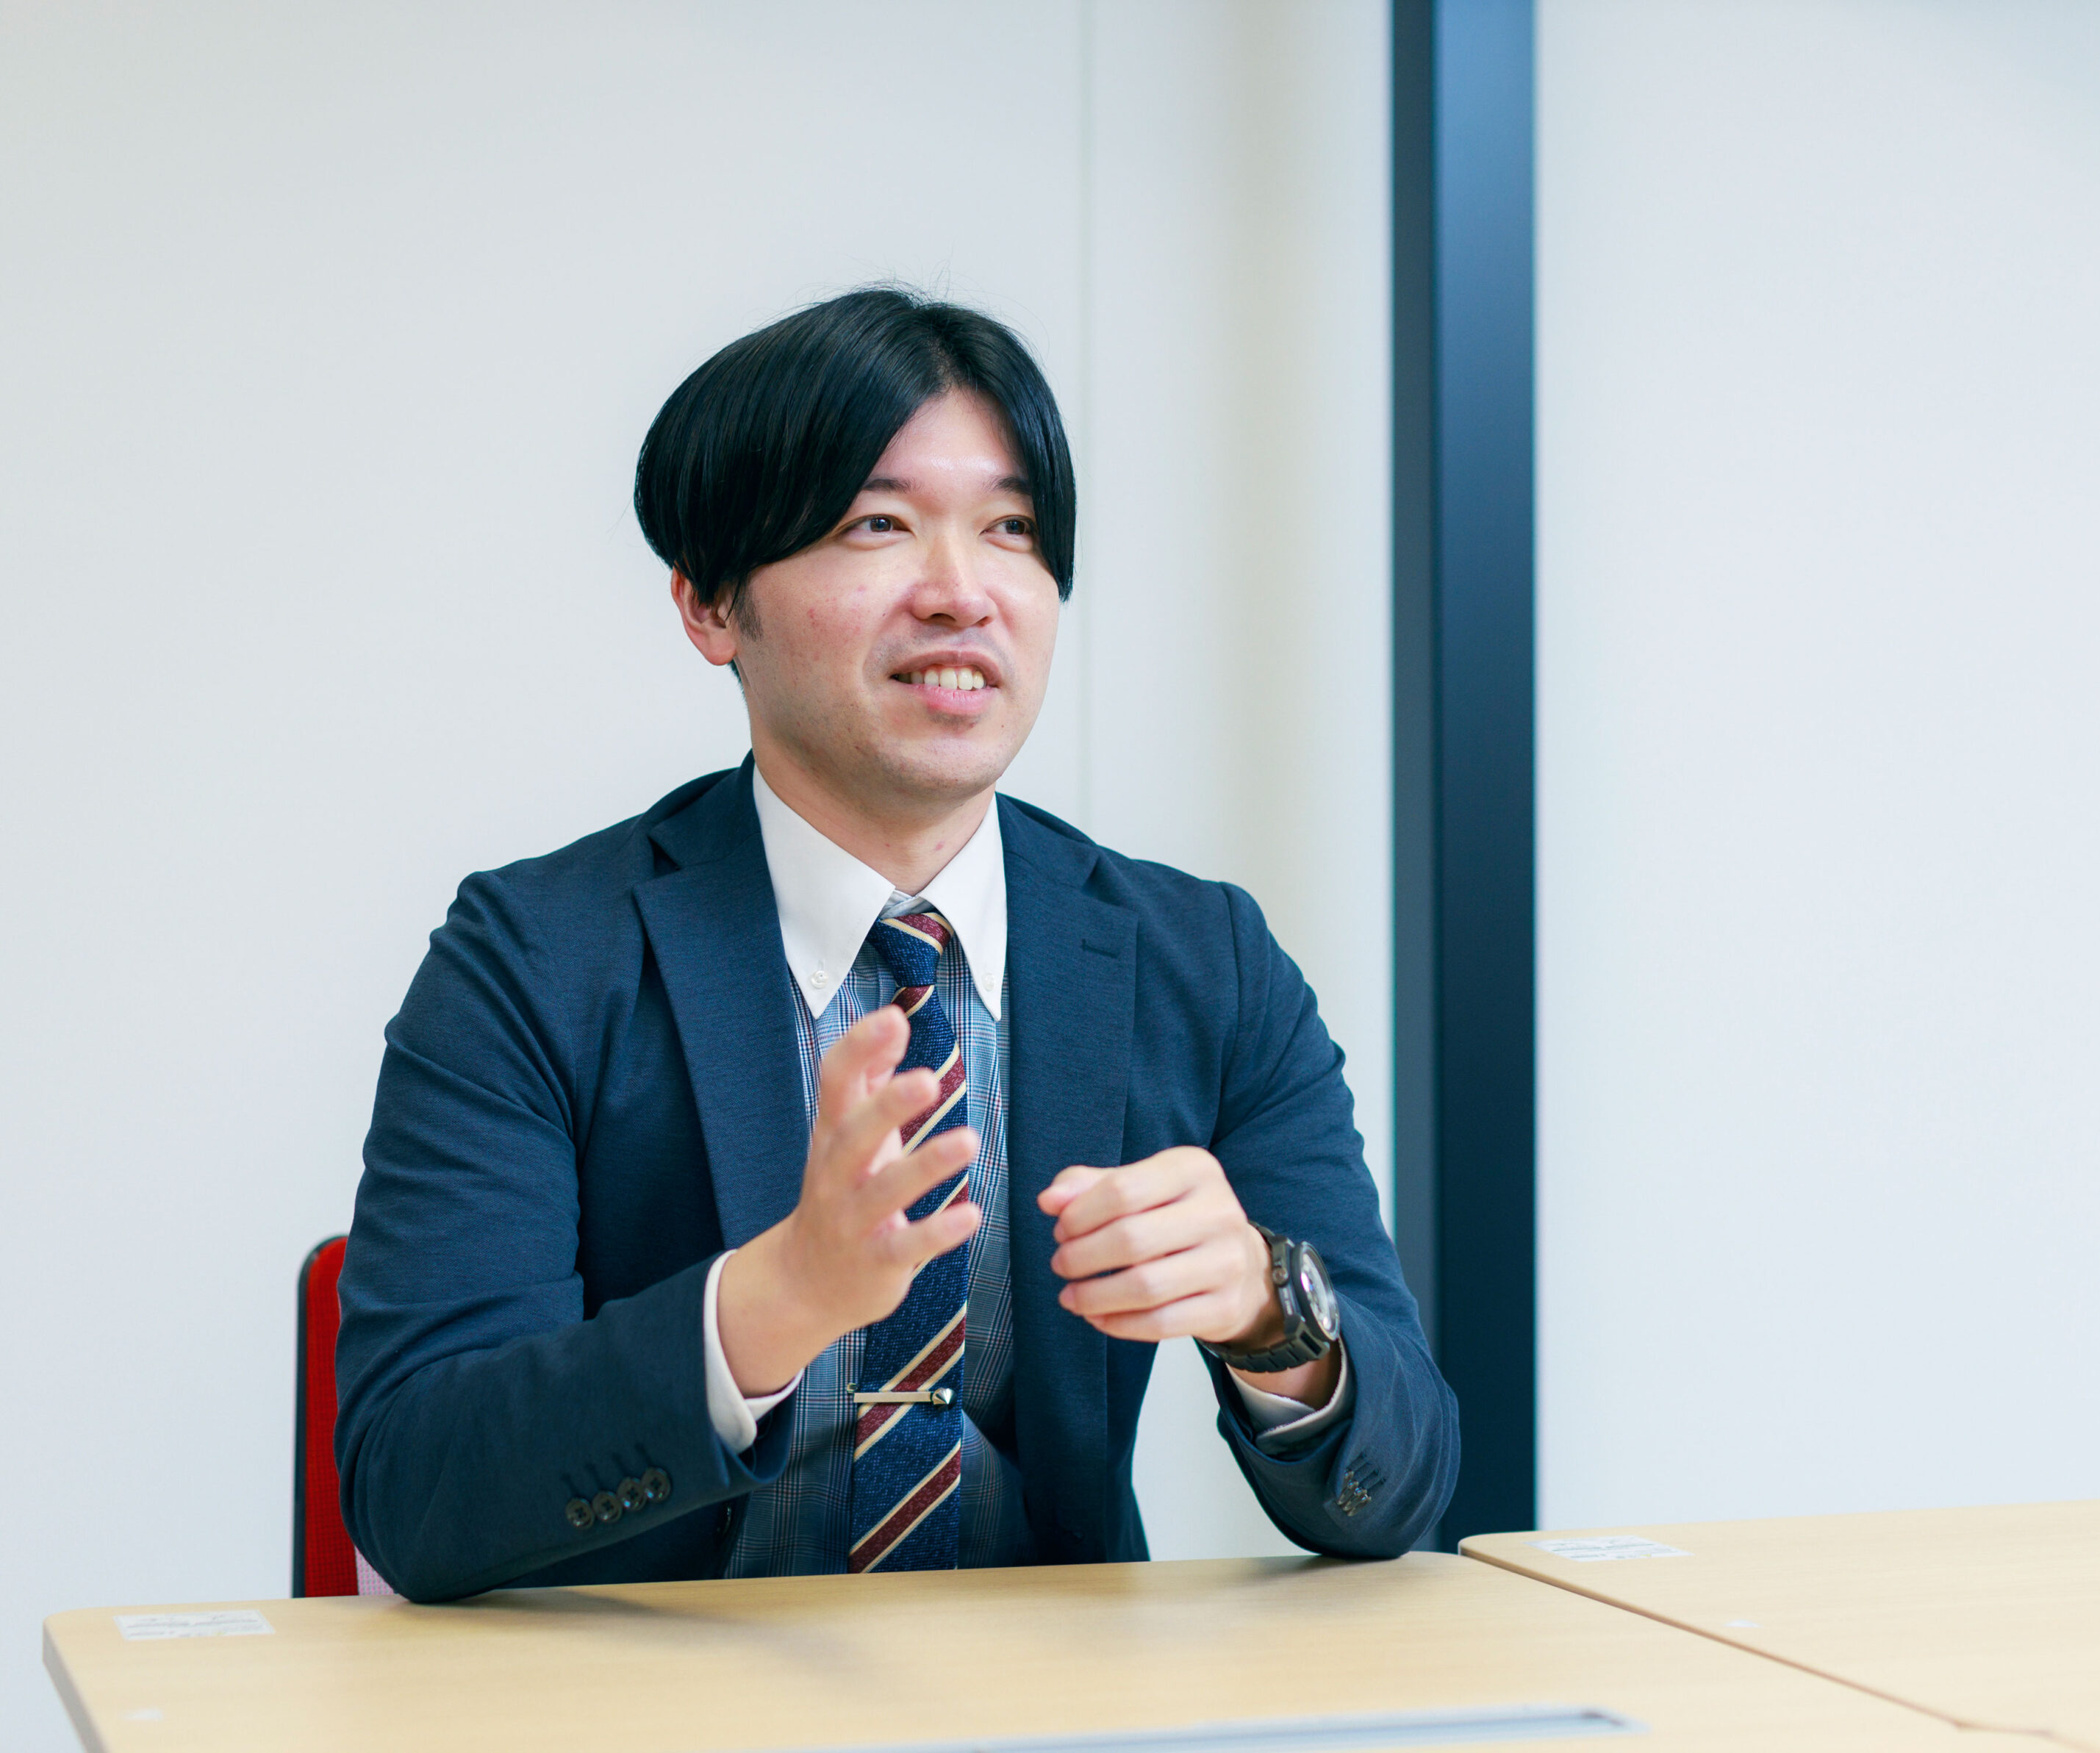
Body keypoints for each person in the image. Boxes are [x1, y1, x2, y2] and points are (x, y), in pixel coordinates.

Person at [335, 288, 1458, 1602]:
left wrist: (1274, 1316)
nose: (961, 592)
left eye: (1011, 529)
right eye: (877, 523)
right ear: (710, 603)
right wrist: (774, 1300)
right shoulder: (534, 959)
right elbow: (415, 1483)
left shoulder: (1201, 960)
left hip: (1052, 1694)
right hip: (654, 1692)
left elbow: (1407, 1484)